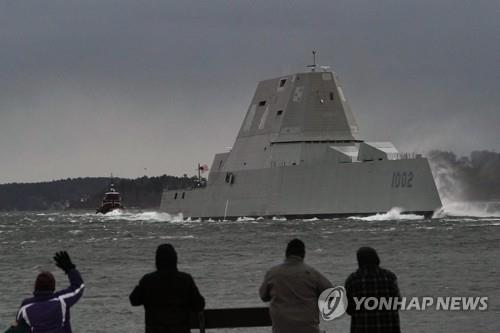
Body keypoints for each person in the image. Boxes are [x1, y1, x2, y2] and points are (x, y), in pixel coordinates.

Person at [259, 238, 332, 333]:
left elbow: (263, 296)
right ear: (303, 254)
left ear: (286, 254)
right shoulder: (311, 273)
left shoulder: (273, 273)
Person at [130, 243, 205, 333]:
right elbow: (199, 304)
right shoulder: (185, 279)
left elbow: (134, 300)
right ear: (175, 259)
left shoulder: (148, 280)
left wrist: (140, 287)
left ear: (157, 260)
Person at [13, 251, 85, 333]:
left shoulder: (25, 307)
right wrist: (70, 268)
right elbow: (79, 286)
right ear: (53, 287)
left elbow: (18, 328)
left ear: (36, 287)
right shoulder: (61, 301)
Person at [345, 247, 401, 333]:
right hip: (389, 328)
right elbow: (397, 303)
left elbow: (349, 308)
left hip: (363, 328)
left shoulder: (353, 279)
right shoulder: (389, 276)